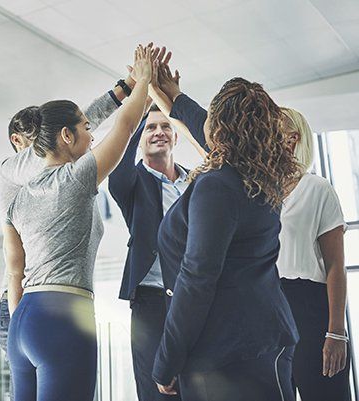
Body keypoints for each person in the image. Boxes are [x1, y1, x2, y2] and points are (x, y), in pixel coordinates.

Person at [2, 45, 153, 401]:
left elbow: (14, 269)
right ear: (66, 137)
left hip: (23, 320)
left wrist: (130, 90)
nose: (92, 134)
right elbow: (126, 126)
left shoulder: (16, 196)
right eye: (86, 128)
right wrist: (144, 79)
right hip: (64, 317)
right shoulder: (76, 178)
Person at [151, 76, 300, 401]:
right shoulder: (256, 173)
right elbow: (211, 131)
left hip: (230, 354)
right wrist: (175, 97)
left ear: (220, 129)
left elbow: (197, 279)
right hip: (253, 342)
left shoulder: (218, 185)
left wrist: (166, 359)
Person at [108, 49, 205, 401]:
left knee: (198, 383)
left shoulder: (196, 182)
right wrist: (144, 93)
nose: (158, 132)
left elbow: (218, 157)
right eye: (150, 128)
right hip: (149, 302)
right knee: (155, 391)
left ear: (176, 136)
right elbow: (116, 162)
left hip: (193, 296)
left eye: (165, 127)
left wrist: (172, 105)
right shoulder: (130, 183)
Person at [278, 107, 350, 401]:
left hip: (310, 309)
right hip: (270, 307)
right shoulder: (258, 191)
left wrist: (336, 332)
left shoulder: (318, 189)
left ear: (291, 139)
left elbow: (335, 266)